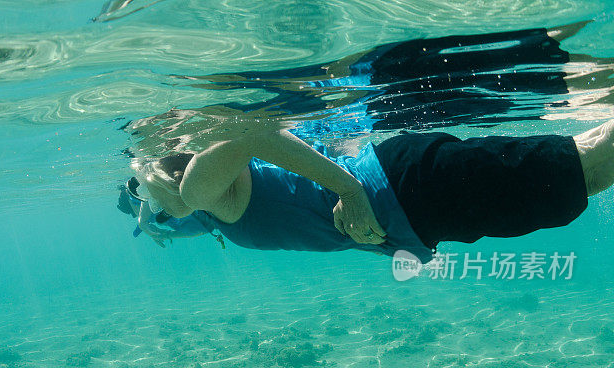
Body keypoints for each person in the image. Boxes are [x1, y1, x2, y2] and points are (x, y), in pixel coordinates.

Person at [121, 118, 613, 262]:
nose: (148, 209)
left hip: (408, 189)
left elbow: (251, 132)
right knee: (582, 155)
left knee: (584, 172)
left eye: (141, 193)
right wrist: (151, 219)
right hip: (410, 194)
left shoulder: (200, 190)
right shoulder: (202, 215)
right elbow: (172, 223)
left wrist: (350, 192)